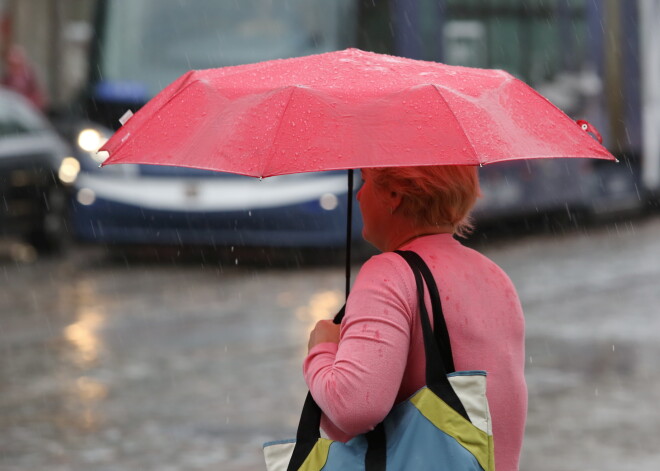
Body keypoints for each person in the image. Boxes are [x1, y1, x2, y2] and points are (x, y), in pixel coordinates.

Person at [304, 165, 527, 471]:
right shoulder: (496, 277)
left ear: (394, 194)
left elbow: (354, 409)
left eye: (366, 182)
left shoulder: (389, 274)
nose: (358, 195)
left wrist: (323, 349)